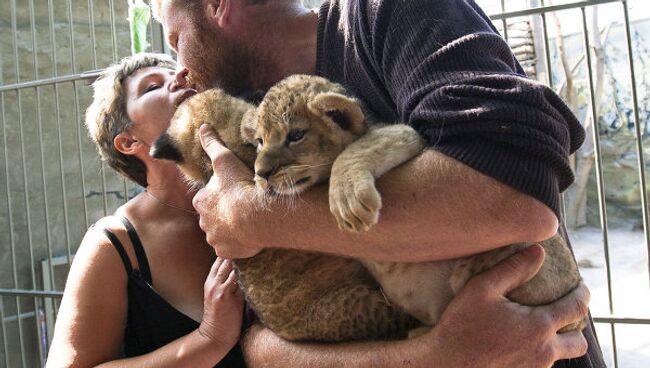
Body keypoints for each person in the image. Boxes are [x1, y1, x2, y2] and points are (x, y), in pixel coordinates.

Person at [152, 0, 606, 367]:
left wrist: (254, 217)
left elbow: (517, 192)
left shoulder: (386, 14)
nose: (179, 72)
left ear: (218, 6)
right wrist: (428, 357)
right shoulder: (254, 127)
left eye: (176, 40)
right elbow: (261, 346)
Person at [47, 53, 246, 367]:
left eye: (179, 71)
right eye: (153, 86)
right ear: (128, 142)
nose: (180, 77)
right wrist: (209, 340)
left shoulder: (260, 189)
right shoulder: (113, 245)